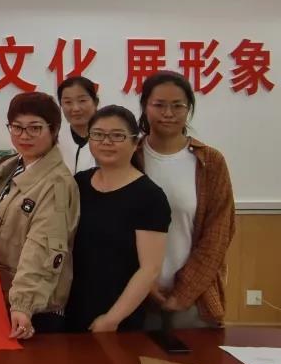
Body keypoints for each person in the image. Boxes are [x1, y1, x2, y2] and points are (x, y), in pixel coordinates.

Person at [136, 71, 235, 330]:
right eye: (159, 105)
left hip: (194, 300)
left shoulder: (210, 161)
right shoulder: (131, 157)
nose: (168, 113)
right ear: (145, 106)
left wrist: (183, 292)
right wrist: (144, 283)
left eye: (177, 106)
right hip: (134, 296)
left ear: (189, 108)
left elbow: (218, 234)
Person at [0, 91, 79, 339]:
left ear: (53, 130)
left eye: (35, 128)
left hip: (34, 308)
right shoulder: (11, 165)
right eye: (17, 127)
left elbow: (43, 247)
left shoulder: (56, 183)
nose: (24, 135)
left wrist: (23, 304)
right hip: (0, 295)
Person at [65, 105, 170, 332]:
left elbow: (149, 269)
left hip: (118, 318)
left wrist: (112, 319)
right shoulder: (78, 183)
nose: (106, 142)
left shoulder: (149, 196)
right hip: (71, 307)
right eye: (98, 134)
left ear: (135, 142)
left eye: (117, 136)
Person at [56, 76, 99, 174]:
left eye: (82, 101)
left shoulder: (109, 138)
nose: (75, 108)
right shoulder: (55, 141)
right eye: (68, 102)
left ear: (95, 102)